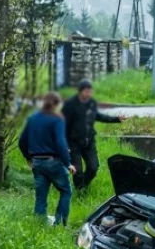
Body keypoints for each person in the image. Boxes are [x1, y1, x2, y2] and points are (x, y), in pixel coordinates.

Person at [18, 92, 76, 225]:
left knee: (40, 197)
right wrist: (68, 163)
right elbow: (60, 142)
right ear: (56, 105)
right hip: (53, 162)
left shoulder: (32, 118)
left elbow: (22, 141)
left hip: (37, 163)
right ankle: (59, 224)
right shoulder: (57, 119)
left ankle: (39, 224)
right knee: (66, 191)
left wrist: (29, 158)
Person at [62, 79, 124, 192]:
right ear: (80, 91)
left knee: (93, 168)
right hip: (73, 143)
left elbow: (98, 116)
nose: (88, 94)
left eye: (90, 91)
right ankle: (80, 191)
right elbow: (63, 125)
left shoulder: (92, 103)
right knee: (77, 171)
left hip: (89, 142)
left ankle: (83, 185)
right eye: (86, 91)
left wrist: (116, 119)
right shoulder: (70, 105)